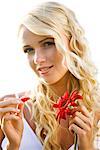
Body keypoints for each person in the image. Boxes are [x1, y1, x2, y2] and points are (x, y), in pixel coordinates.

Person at [0, 1, 100, 150]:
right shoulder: (9, 110)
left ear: (73, 42)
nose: (37, 59)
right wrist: (12, 146)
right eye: (29, 50)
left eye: (48, 43)